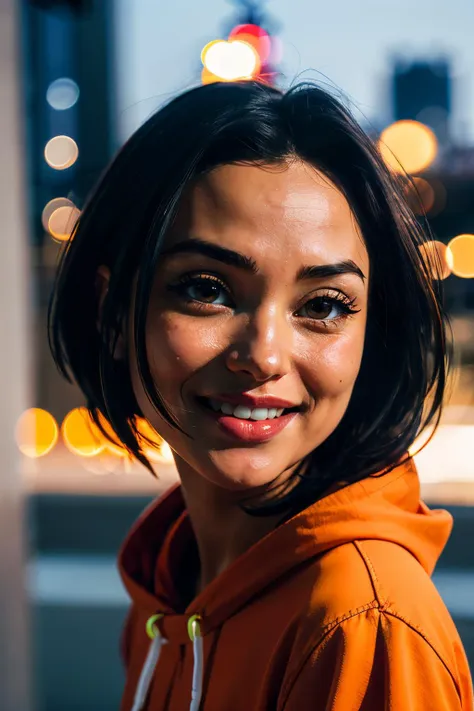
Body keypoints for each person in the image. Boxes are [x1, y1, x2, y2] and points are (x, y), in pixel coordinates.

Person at [49, 80, 473, 710]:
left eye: (324, 306)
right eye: (207, 289)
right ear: (114, 313)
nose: (264, 357)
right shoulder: (168, 592)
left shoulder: (364, 626)